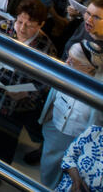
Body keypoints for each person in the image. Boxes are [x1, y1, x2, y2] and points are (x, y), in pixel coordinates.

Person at [0, 0, 56, 185]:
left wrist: (28, 94)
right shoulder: (3, 27)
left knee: (6, 142)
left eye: (29, 25)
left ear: (41, 25)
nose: (22, 29)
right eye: (19, 21)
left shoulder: (46, 48)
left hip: (17, 105)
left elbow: (48, 82)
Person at [39, 41, 103, 188]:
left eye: (73, 61)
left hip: (78, 137)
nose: (66, 61)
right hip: (55, 128)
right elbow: (53, 96)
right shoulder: (67, 70)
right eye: (68, 56)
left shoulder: (99, 87)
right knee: (48, 167)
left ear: (88, 67)